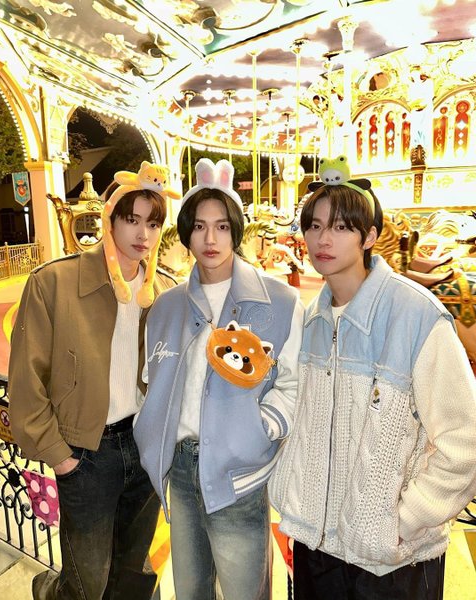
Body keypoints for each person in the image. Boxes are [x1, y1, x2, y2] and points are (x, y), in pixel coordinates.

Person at [269, 155, 476, 600]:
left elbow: (466, 437)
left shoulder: (415, 316)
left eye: (342, 227)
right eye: (315, 226)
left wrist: (405, 519)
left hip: (391, 560)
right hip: (317, 547)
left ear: (370, 237)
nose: (323, 239)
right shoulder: (312, 320)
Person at [134, 158, 304, 600]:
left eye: (222, 227)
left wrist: (260, 429)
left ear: (236, 232)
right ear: (186, 233)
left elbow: (292, 384)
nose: (211, 239)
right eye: (200, 227)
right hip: (181, 473)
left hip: (239, 476)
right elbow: (151, 379)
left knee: (246, 592)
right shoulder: (166, 306)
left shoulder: (281, 302)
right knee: (190, 590)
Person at [8, 163, 176, 600]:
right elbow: (27, 381)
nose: (143, 234)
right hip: (86, 452)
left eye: (153, 223)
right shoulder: (54, 282)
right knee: (87, 581)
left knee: (134, 572)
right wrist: (60, 456)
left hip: (143, 444)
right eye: (132, 219)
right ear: (110, 218)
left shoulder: (165, 291)